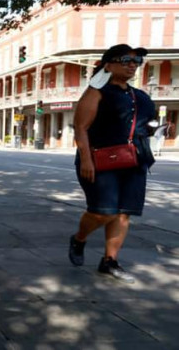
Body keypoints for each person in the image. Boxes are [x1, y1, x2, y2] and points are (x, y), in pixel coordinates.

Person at [69, 44, 156, 283]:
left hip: (134, 160)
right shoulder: (97, 92)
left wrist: (153, 129)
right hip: (100, 160)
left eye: (136, 61)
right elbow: (81, 127)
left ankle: (110, 261)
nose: (132, 64)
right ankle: (79, 238)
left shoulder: (141, 96)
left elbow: (147, 123)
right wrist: (86, 158)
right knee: (102, 212)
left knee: (123, 214)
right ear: (108, 64)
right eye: (125, 59)